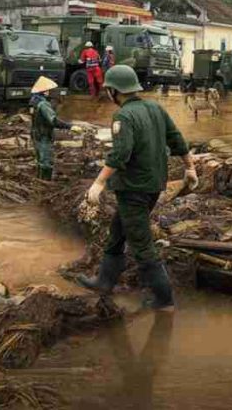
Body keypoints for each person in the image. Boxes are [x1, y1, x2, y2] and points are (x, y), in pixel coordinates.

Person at [79, 65, 198, 310]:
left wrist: (99, 183)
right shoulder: (155, 108)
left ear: (114, 91)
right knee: (117, 232)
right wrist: (190, 167)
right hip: (153, 186)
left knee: (142, 245)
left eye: (108, 90)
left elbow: (121, 153)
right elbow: (176, 138)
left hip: (133, 189)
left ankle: (164, 300)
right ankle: (104, 282)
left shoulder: (123, 116)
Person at [29, 75, 79, 180]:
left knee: (40, 159)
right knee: (46, 161)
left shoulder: (33, 101)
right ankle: (45, 183)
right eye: (48, 90)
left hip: (36, 134)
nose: (49, 92)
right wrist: (70, 127)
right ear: (44, 91)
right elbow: (53, 121)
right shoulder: (43, 104)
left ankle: (39, 181)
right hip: (44, 135)